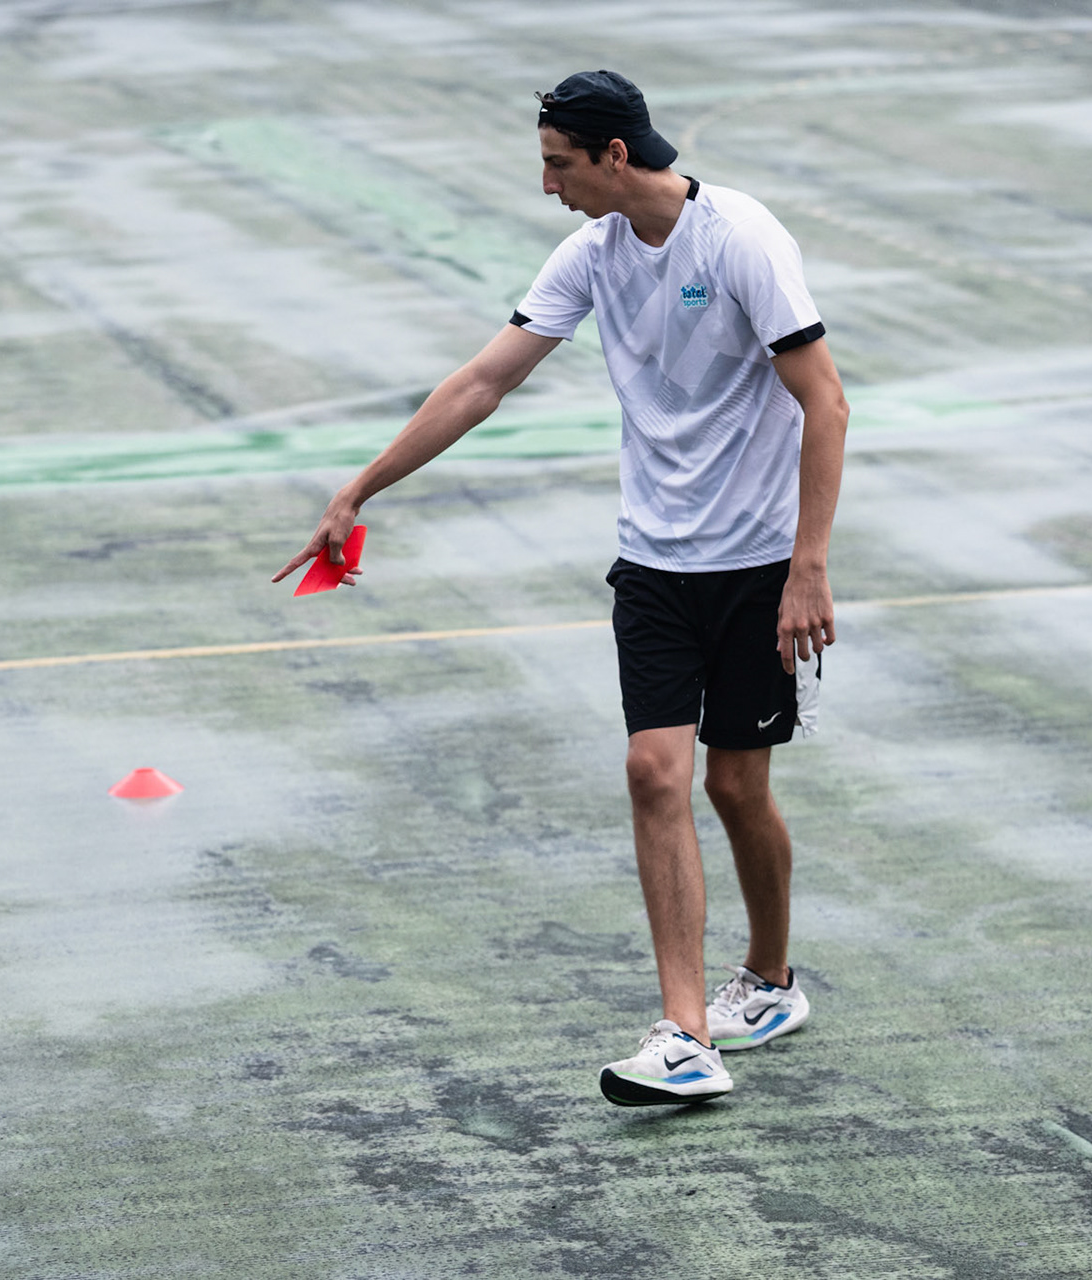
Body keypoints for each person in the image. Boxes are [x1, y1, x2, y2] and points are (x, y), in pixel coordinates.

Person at [274, 70, 848, 1106]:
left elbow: (826, 402)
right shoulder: (591, 254)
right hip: (656, 564)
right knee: (653, 773)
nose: (548, 184)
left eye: (558, 163)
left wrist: (808, 567)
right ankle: (684, 1031)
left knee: (736, 787)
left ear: (614, 156)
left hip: (759, 565)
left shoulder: (743, 240)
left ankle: (768, 979)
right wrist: (362, 485)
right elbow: (482, 381)